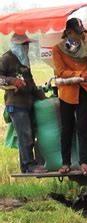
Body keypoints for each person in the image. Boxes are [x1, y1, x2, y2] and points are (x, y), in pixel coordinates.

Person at [52, 18, 87, 175]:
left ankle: (84, 162)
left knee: (84, 128)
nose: (80, 36)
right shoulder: (57, 49)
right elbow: (61, 71)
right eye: (77, 33)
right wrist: (79, 75)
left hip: (84, 92)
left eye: (82, 32)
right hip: (66, 94)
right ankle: (65, 163)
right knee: (67, 129)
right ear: (68, 32)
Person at [0, 33, 47, 174]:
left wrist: (42, 97)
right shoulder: (7, 58)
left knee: (30, 134)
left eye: (27, 45)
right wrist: (12, 81)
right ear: (16, 45)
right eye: (24, 44)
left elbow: (30, 82)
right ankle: (28, 165)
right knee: (25, 135)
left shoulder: (24, 60)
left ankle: (27, 165)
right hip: (16, 104)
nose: (26, 47)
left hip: (28, 103)